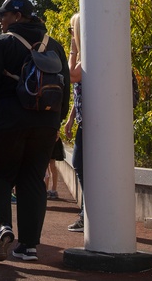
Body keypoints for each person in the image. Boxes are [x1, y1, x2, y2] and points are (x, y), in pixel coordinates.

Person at [0, 0, 70, 264]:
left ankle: (3, 228)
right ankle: (28, 246)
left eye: (3, 15)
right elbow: (63, 91)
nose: (0, 20)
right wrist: (56, 122)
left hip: (7, 120)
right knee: (32, 180)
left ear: (17, 16)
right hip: (45, 123)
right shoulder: (54, 45)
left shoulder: (2, 42)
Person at [64, 12, 85, 232]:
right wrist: (71, 119)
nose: (70, 34)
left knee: (79, 163)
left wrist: (73, 47)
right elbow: (80, 93)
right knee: (81, 165)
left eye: (71, 30)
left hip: (91, 124)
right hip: (84, 121)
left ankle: (87, 213)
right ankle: (87, 212)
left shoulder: (85, 55)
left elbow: (71, 75)